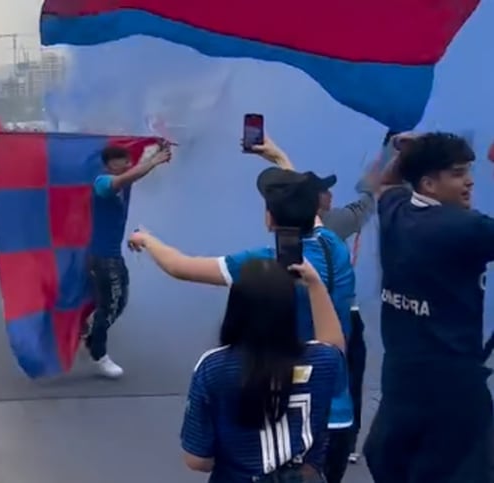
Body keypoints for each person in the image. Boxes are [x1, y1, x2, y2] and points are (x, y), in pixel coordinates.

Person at [128, 150, 356, 459]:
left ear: (269, 218)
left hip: (281, 406)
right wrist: (278, 155)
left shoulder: (262, 263)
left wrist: (146, 239)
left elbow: (180, 266)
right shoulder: (333, 246)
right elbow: (305, 206)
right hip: (334, 409)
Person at [363, 132, 492, 483]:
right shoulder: (465, 228)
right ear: (428, 183)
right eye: (457, 173)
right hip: (453, 389)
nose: (468, 182)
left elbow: (385, 182)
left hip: (401, 381)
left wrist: (409, 156)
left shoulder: (395, 212)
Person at [255, 136, 379, 475]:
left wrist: (280, 157)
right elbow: (365, 207)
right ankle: (339, 441)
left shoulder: (301, 228)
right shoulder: (332, 225)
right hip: (340, 322)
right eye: (324, 190)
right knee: (343, 382)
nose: (330, 194)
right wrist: (376, 181)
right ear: (314, 201)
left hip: (301, 323)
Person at [176, 257, 346, 482]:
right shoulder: (323, 362)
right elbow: (335, 345)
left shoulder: (214, 368)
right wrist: (315, 284)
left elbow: (197, 460)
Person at [84, 143, 171, 378]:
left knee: (120, 302)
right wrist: (153, 161)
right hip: (101, 257)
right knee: (110, 305)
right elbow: (127, 178)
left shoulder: (126, 182)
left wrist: (156, 151)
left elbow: (139, 173)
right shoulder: (102, 182)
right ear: (111, 164)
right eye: (123, 160)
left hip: (113, 255)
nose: (128, 164)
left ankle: (92, 330)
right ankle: (98, 353)